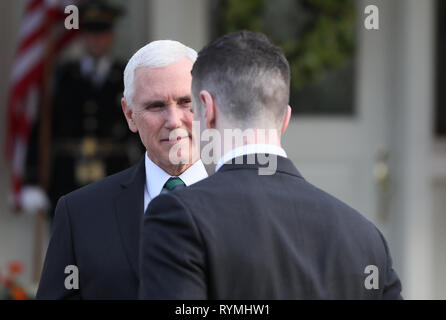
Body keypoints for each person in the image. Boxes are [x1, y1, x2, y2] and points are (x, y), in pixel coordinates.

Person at [139, 30, 403, 299]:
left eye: (192, 109)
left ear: (208, 109)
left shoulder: (179, 218)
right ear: (285, 118)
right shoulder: (365, 237)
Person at [36, 39, 208, 299]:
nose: (173, 121)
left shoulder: (250, 205)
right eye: (156, 106)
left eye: (186, 102)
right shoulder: (79, 213)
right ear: (129, 115)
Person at [24, 0, 143, 217]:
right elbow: (42, 126)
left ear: (112, 36)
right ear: (82, 37)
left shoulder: (127, 76)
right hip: (67, 175)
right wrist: (32, 179)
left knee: (115, 238)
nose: (96, 40)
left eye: (102, 33)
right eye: (90, 33)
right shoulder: (62, 75)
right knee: (68, 240)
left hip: (115, 171)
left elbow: (142, 125)